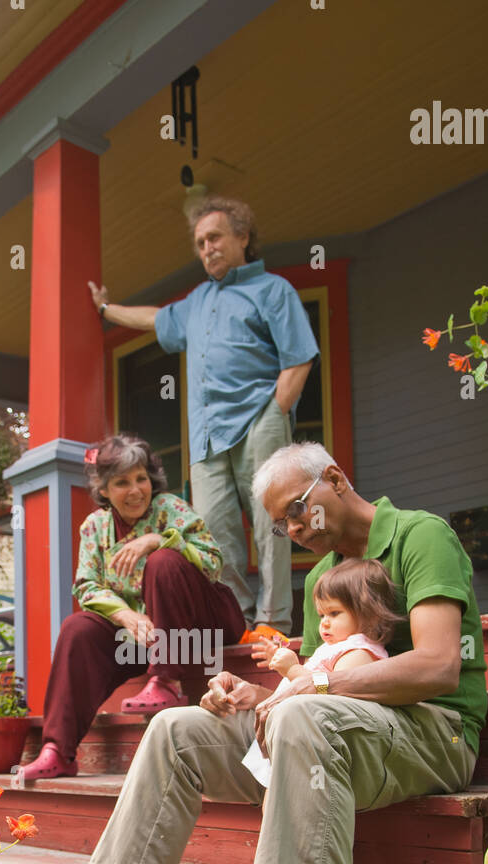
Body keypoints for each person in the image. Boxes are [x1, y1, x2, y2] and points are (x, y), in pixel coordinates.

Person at [26, 443, 487, 864]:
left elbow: (437, 665)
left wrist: (306, 695)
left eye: (296, 512)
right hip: (346, 729)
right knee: (176, 728)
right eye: (281, 525)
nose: (293, 531)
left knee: (300, 717)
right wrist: (254, 695)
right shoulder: (325, 575)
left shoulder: (419, 535)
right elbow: (305, 684)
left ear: (335, 478)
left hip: (435, 733)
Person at [88, 196, 317, 634]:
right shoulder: (196, 302)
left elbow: (300, 357)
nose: (206, 248)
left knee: (274, 522)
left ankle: (274, 621)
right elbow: (155, 319)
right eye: (199, 243)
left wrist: (276, 412)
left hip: (257, 419)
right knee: (211, 530)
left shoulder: (272, 290)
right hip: (206, 435)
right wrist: (105, 309)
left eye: (214, 237)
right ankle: (240, 620)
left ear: (242, 237)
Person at [15, 434, 245, 782]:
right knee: (78, 628)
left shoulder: (171, 508)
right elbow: (86, 585)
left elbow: (214, 563)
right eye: (122, 482)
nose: (136, 489)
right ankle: (57, 751)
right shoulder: (95, 527)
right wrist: (127, 614)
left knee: (164, 561)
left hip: (205, 625)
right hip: (144, 638)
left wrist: (159, 540)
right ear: (104, 490)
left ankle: (166, 680)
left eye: (141, 478)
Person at [241, 558, 400, 788]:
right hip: (292, 740)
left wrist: (292, 669)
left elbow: (328, 697)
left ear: (370, 614)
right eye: (322, 615)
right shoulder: (332, 648)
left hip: (315, 748)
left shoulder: (360, 652)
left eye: (334, 614)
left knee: (282, 799)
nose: (324, 624)